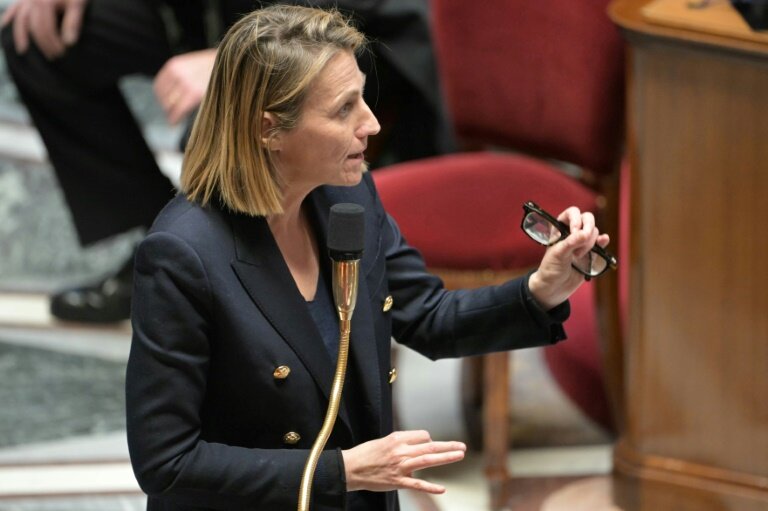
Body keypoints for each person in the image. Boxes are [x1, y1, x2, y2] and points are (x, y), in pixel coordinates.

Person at [124, 5, 610, 510]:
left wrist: (543, 289)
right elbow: (167, 461)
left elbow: (428, 317)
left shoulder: (347, 199)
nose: (372, 124)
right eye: (344, 109)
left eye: (364, 99)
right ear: (268, 129)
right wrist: (340, 472)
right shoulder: (182, 256)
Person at [0, 0, 450, 323]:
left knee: (226, 120)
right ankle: (167, 250)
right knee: (38, 39)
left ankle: (264, 285)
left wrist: (237, 61)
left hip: (351, 28)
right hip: (209, 16)